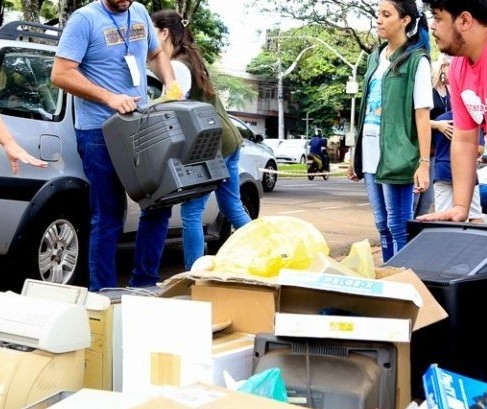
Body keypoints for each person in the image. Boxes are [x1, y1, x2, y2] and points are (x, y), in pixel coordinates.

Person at [51, 0, 182, 291]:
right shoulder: (84, 19)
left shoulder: (139, 13)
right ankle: (105, 294)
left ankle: (144, 285)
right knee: (109, 215)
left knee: (159, 204)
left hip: (140, 125)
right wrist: (109, 97)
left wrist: (170, 82)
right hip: (100, 131)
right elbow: (60, 73)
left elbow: (157, 52)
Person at [151, 9, 252, 270]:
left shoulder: (176, 65)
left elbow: (171, 102)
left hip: (210, 144)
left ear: (163, 32)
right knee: (232, 206)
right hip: (228, 139)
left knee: (191, 212)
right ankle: (264, 251)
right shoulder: (191, 58)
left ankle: (194, 273)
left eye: (152, 31)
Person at [347, 0, 432, 263]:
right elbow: (365, 110)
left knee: (398, 225)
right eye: (377, 14)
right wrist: (356, 154)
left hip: (397, 155)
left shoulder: (417, 60)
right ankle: (387, 276)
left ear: (405, 20)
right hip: (371, 152)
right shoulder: (376, 56)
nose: (378, 20)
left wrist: (424, 163)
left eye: (386, 15)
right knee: (381, 224)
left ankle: (405, 283)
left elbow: (422, 115)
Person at [417, 0, 487, 223]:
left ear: (464, 20)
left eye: (438, 18)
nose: (433, 27)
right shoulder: (458, 67)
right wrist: (460, 207)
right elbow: (465, 138)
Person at [414, 55, 452, 216]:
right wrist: (438, 125)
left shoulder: (451, 92)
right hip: (422, 150)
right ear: (443, 67)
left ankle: (417, 235)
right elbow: (416, 118)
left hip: (440, 152)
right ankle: (404, 236)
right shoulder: (428, 90)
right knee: (415, 196)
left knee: (428, 200)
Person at [432, 110, 485, 222]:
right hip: (466, 171)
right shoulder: (473, 120)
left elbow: (431, 148)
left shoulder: (439, 120)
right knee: (474, 217)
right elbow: (479, 150)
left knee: (443, 219)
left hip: (443, 169)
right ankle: (475, 239)